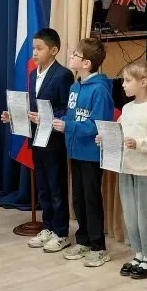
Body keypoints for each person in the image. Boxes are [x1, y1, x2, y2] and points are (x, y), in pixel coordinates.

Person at [0, 28, 74, 252]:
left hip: (54, 140)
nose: (34, 52)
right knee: (43, 187)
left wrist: (46, 117)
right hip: (37, 139)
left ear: (54, 50)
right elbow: (33, 108)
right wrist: (15, 116)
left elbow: (66, 109)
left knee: (56, 186)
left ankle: (61, 232)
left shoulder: (63, 75)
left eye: (39, 48)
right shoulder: (33, 75)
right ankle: (48, 227)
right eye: (33, 48)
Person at [55, 38, 115, 267]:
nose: (71, 57)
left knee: (91, 198)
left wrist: (68, 126)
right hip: (75, 151)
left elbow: (98, 125)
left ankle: (98, 247)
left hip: (91, 153)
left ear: (87, 63)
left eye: (75, 55)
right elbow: (72, 117)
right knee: (78, 198)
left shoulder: (99, 90)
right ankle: (83, 240)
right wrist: (56, 120)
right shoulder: (74, 86)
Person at [108, 60, 147, 279]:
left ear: (143, 82)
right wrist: (106, 139)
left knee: (145, 215)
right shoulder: (127, 108)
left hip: (145, 170)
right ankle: (138, 253)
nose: (123, 84)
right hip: (126, 167)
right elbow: (119, 133)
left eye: (127, 80)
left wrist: (138, 143)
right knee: (130, 214)